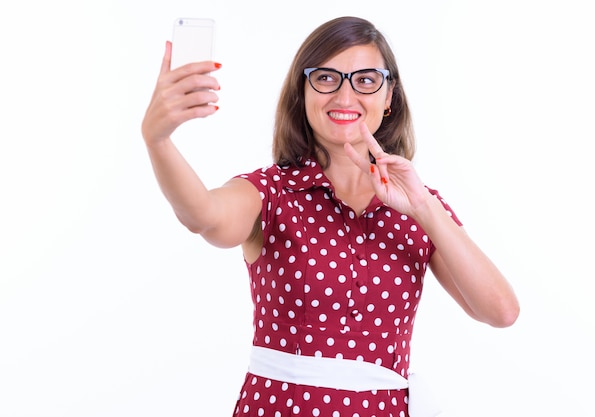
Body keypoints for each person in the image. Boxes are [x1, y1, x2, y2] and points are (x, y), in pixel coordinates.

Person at [141, 15, 519, 417]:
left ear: (389, 96)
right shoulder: (272, 193)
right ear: (302, 92)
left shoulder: (418, 205)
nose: (345, 96)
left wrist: (424, 207)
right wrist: (158, 139)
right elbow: (204, 216)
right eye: (326, 78)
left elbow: (501, 311)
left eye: (366, 80)